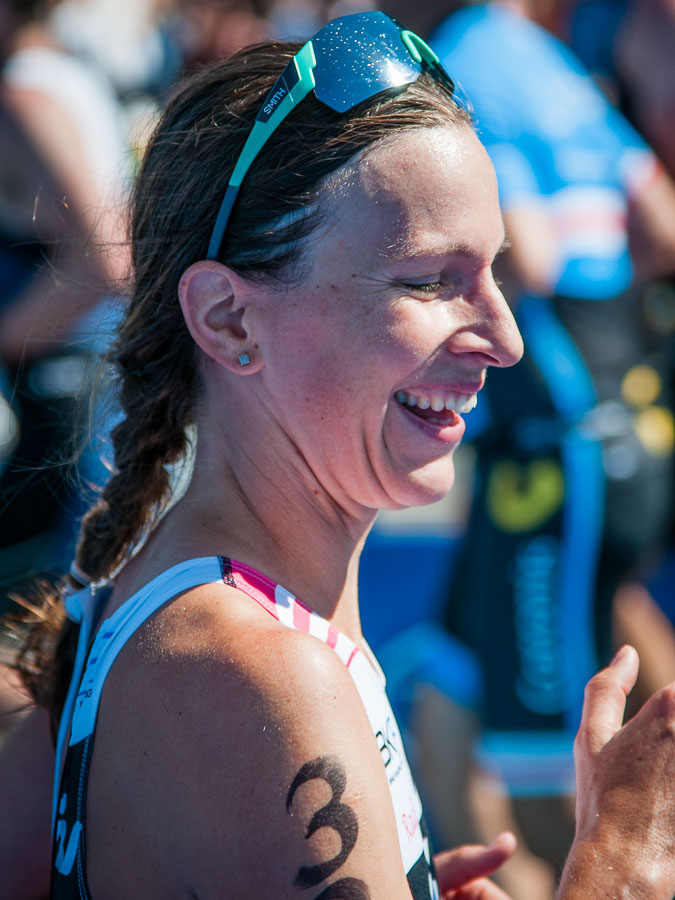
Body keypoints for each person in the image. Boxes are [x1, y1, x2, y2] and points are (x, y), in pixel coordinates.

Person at [1, 11, 675, 900]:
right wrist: (619, 867)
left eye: (493, 273)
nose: (503, 338)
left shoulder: (155, 620)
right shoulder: (261, 675)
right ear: (229, 319)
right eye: (429, 280)